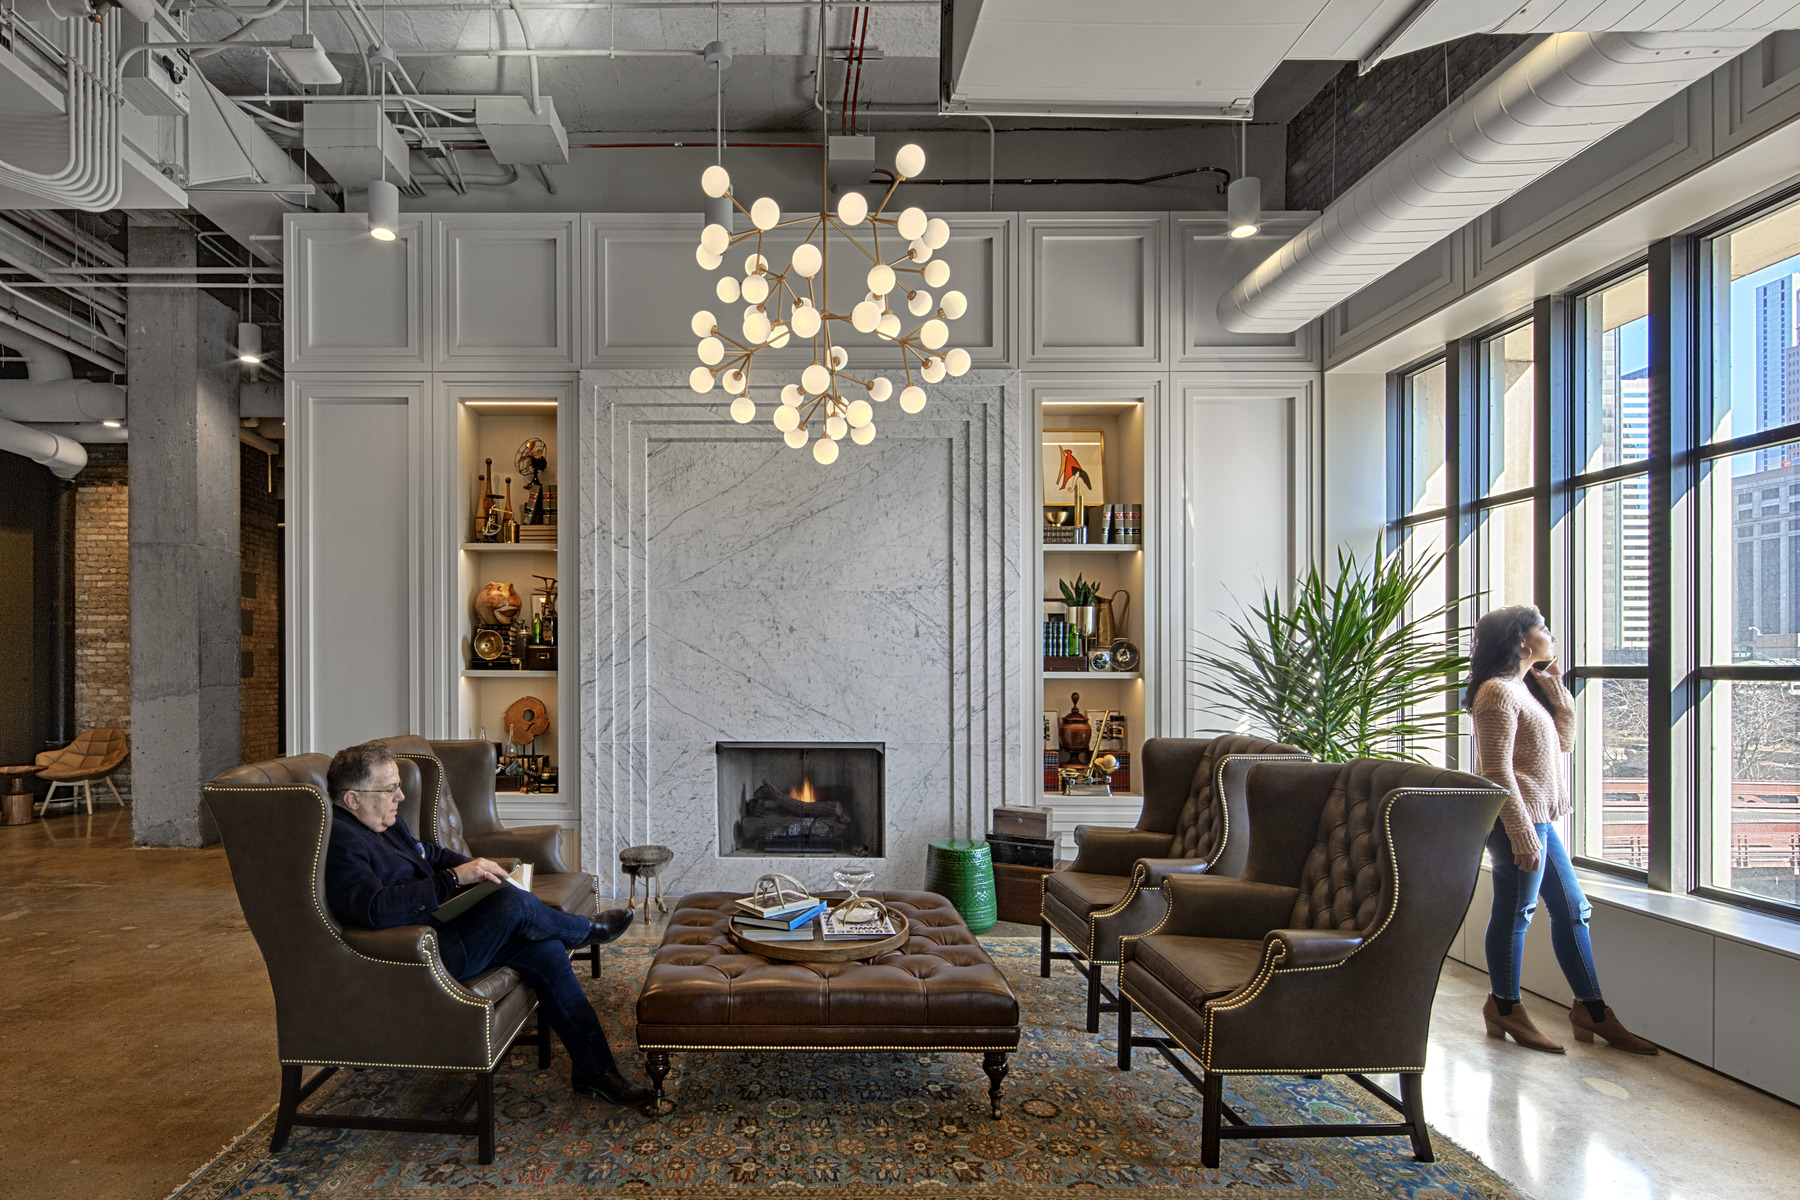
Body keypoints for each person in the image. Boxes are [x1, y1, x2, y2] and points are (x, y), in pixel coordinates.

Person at [322, 741, 654, 1103]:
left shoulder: (384, 822)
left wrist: (473, 866)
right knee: (513, 904)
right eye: (390, 789)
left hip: (446, 929)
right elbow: (374, 908)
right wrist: (454, 880)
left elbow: (428, 853)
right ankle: (587, 930)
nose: (400, 796)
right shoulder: (342, 841)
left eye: (398, 786)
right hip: (422, 955)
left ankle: (596, 1071)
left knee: (546, 952)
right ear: (352, 799)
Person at [1465, 606, 1657, 1056]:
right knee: (1516, 913)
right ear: (1520, 642)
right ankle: (1505, 1007)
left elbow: (1561, 747)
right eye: (1542, 627)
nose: (1551, 633)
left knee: (1573, 910)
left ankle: (1592, 1013)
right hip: (1517, 820)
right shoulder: (1497, 692)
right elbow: (1495, 770)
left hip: (1538, 819)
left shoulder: (1521, 689)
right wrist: (1521, 833)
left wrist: (1561, 700)